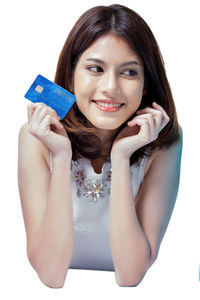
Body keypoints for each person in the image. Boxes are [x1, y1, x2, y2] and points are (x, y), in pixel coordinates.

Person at [18, 4, 183, 288]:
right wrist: (61, 155)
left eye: (129, 72)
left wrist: (121, 158)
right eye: (95, 68)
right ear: (71, 75)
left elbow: (131, 276)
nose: (110, 87)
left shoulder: (163, 141)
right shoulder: (36, 137)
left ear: (145, 84)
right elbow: (50, 274)